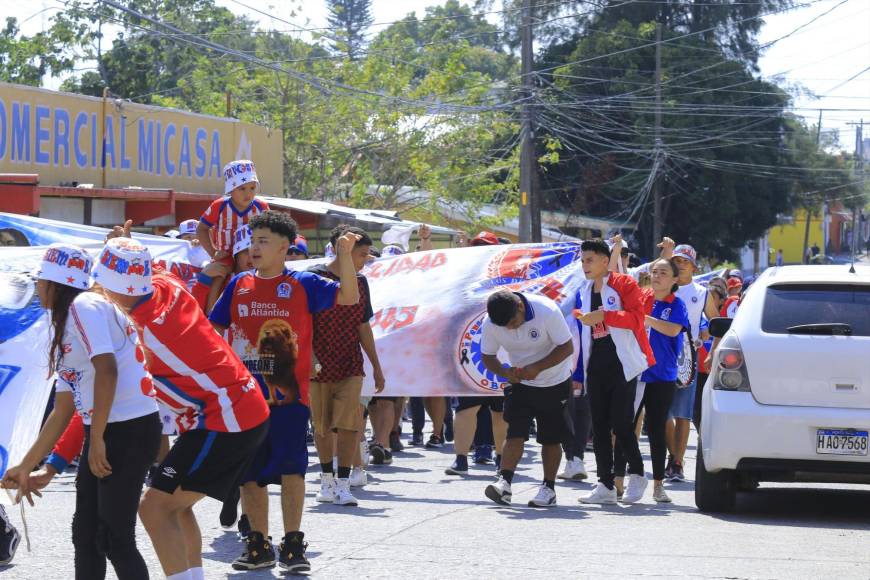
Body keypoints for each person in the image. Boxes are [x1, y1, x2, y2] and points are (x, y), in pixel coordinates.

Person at [93, 237, 270, 580]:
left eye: (102, 286)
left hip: (226, 417)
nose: (98, 292)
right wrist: (120, 246)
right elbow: (152, 267)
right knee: (177, 506)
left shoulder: (141, 332)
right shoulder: (165, 283)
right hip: (230, 407)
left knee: (154, 508)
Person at [209, 210, 361, 572]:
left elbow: (349, 298)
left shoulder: (303, 283)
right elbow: (214, 328)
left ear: (284, 247)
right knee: (249, 473)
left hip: (290, 399)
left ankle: (293, 542)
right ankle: (258, 543)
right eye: (252, 240)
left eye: (263, 241)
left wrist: (344, 257)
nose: (254, 248)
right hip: (244, 397)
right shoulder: (239, 284)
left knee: (293, 469)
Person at [2, 243, 161, 580]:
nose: (37, 287)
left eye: (40, 281)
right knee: (85, 534)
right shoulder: (62, 324)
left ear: (55, 284)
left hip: (128, 430)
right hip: (105, 429)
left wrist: (99, 438)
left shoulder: (85, 306)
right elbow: (61, 411)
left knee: (116, 538)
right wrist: (25, 467)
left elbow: (108, 370)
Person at [308, 225, 384, 507]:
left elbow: (363, 326)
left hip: (351, 362)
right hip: (318, 364)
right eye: (361, 254)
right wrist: (309, 357)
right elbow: (303, 323)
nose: (364, 260)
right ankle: (326, 481)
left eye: (365, 255)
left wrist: (376, 365)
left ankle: (343, 484)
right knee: (323, 426)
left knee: (351, 424)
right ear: (342, 249)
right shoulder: (314, 278)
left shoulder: (361, 283)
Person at [574, 239, 654, 505]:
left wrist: (604, 316)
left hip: (623, 363)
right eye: (583, 260)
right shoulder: (584, 289)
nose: (585, 265)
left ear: (605, 261)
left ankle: (638, 474)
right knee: (598, 426)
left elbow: (636, 319)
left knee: (621, 424)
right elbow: (584, 322)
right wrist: (585, 317)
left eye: (589, 260)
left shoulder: (624, 284)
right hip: (595, 365)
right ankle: (605, 484)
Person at [479, 290, 575, 508]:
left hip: (554, 380)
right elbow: (488, 356)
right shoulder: (492, 322)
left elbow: (567, 346)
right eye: (504, 326)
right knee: (515, 432)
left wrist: (538, 367)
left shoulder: (546, 310)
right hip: (520, 382)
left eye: (512, 322)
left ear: (520, 307)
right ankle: (504, 483)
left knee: (551, 438)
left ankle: (548, 488)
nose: (509, 329)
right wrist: (505, 372)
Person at [613, 258, 689, 504]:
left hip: (661, 375)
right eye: (654, 271)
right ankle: (618, 481)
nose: (657, 276)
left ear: (675, 280)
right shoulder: (641, 297)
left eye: (663, 273)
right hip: (636, 373)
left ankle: (658, 485)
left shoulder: (676, 304)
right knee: (624, 427)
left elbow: (673, 330)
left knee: (656, 429)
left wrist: (644, 319)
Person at [658, 240, 719, 482]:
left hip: (687, 359)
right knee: (663, 413)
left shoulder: (702, 293)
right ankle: (672, 455)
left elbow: (717, 324)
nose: (681, 266)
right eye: (677, 261)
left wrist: (713, 350)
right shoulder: (661, 288)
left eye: (685, 262)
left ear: (694, 267)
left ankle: (677, 463)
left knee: (683, 414)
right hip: (661, 354)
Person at [196, 159, 270, 268]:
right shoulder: (219, 206)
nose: (248, 193)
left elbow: (271, 231)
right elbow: (201, 229)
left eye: (252, 188)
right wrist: (213, 252)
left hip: (253, 256)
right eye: (242, 188)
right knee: (215, 275)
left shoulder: (262, 206)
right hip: (226, 257)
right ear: (230, 190)